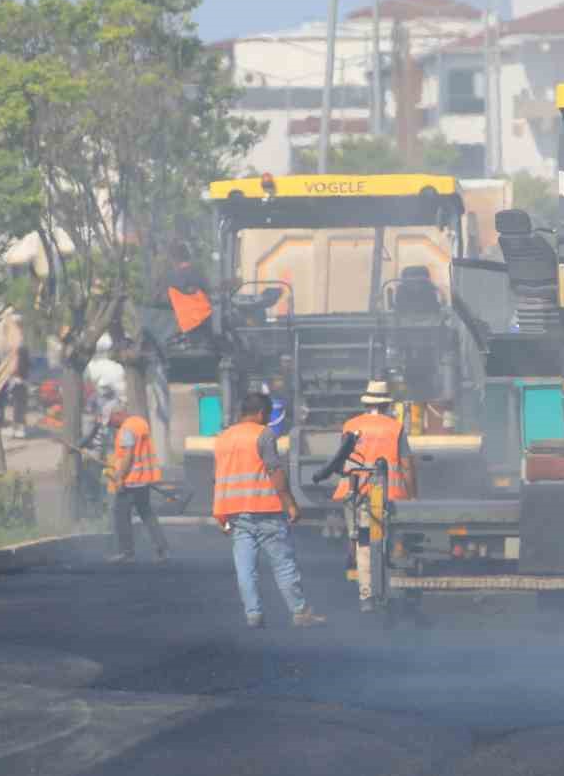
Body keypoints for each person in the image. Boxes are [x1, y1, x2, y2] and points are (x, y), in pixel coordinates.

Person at [214, 390, 325, 628]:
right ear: (262, 413)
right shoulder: (263, 434)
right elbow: (274, 470)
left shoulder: (223, 437)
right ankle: (300, 612)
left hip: (234, 512)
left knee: (245, 568)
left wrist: (221, 516)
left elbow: (219, 478)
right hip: (265, 511)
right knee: (283, 564)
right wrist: (290, 503)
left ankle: (253, 614)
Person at [334, 379, 417, 614]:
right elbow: (407, 465)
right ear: (387, 404)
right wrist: (412, 496)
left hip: (357, 494)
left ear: (366, 403)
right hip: (388, 495)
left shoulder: (350, 425)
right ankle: (389, 591)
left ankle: (366, 597)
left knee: (363, 543)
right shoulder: (395, 427)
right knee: (387, 542)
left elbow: (341, 461)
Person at [106, 402, 170, 564]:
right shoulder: (140, 423)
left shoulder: (127, 429)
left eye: (111, 420)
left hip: (130, 481)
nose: (111, 425)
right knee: (146, 513)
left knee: (121, 515)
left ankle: (126, 552)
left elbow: (128, 455)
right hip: (143, 479)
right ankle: (162, 549)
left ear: (117, 414)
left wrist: (119, 475)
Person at [166, 243, 215, 348]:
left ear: (173, 259)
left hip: (189, 326)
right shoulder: (197, 273)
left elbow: (168, 303)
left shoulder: (170, 278)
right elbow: (209, 291)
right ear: (188, 256)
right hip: (205, 321)